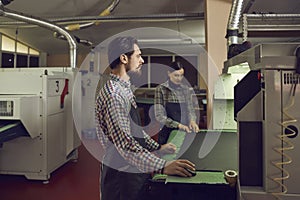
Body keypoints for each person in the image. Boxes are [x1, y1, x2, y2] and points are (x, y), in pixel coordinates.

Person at [95, 36, 196, 200]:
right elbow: (126, 145)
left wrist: (158, 147)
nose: (142, 60)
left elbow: (136, 131)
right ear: (124, 58)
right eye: (138, 55)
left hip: (134, 168)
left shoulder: (125, 89)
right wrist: (163, 166)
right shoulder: (114, 95)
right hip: (121, 175)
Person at [154, 61, 199, 145]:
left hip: (185, 131)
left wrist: (192, 121)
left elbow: (190, 109)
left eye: (181, 75)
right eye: (176, 75)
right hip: (167, 132)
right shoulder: (161, 89)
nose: (179, 78)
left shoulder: (185, 89)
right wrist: (178, 125)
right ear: (169, 73)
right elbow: (159, 116)